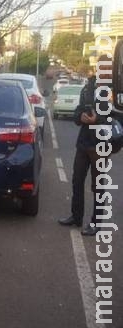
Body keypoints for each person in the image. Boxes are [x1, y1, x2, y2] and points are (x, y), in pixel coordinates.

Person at [58, 54, 112, 236]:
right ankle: (76, 216)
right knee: (77, 181)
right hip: (83, 143)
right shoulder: (89, 87)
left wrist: (98, 119)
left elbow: (118, 117)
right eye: (101, 67)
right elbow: (79, 109)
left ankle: (96, 223)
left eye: (106, 68)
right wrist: (79, 117)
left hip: (101, 145)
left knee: (98, 186)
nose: (103, 71)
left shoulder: (114, 90)